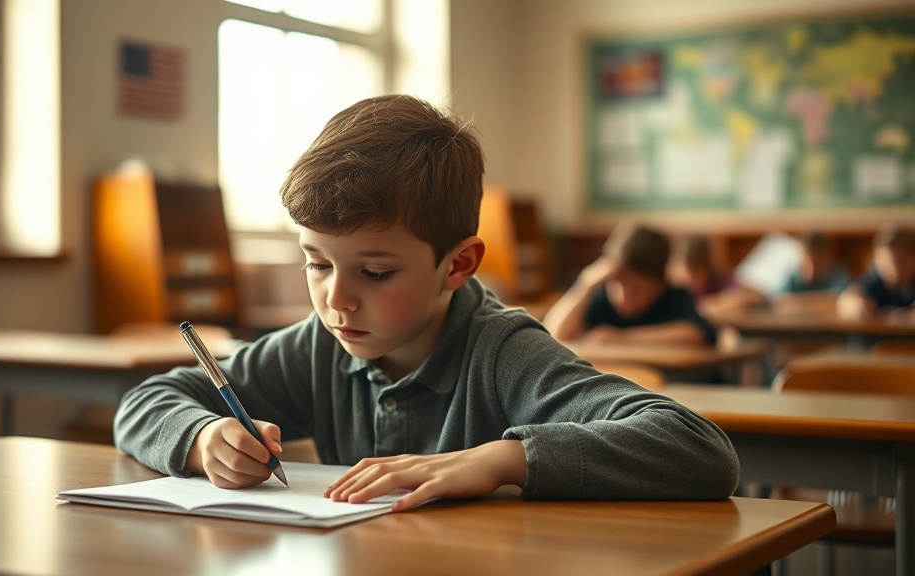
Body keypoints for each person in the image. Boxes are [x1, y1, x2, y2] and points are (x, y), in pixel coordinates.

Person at [114, 95, 739, 512]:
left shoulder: (502, 352)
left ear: (458, 264)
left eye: (376, 271)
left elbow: (699, 448)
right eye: (316, 262)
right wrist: (202, 437)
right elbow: (146, 401)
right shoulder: (316, 347)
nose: (337, 299)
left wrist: (503, 459)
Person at [542, 222, 717, 346]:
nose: (624, 296)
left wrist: (621, 338)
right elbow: (554, 336)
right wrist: (585, 285)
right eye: (616, 284)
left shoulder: (674, 297)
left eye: (637, 289)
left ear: (662, 282)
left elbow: (696, 334)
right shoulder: (599, 297)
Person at [668, 234, 764, 316]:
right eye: (684, 273)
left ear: (707, 268)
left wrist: (706, 306)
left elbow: (744, 298)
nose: (688, 279)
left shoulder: (721, 279)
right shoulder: (670, 288)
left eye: (695, 273)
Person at [837, 224, 915, 323]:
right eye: (886, 263)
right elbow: (848, 299)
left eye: (901, 261)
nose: (894, 269)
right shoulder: (875, 279)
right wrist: (856, 305)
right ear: (876, 260)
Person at [771, 230, 849, 314]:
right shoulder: (794, 274)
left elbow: (842, 302)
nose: (811, 269)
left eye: (817, 262)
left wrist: (796, 303)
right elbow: (778, 302)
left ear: (828, 259)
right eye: (807, 262)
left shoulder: (837, 274)